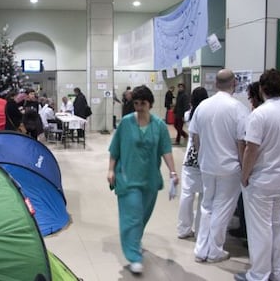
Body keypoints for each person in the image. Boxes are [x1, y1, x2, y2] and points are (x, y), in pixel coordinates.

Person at [234, 69, 280, 281]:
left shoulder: (258, 115)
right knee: (276, 225)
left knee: (259, 229)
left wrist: (244, 175)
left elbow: (251, 150)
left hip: (262, 179)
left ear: (262, 89)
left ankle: (259, 274)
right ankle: (277, 272)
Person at [107, 85, 179, 275]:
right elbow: (115, 149)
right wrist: (110, 170)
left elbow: (166, 150)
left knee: (142, 216)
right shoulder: (126, 123)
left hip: (149, 180)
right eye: (136, 103)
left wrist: (173, 172)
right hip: (127, 178)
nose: (139, 107)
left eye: (143, 103)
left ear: (151, 104)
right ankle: (134, 256)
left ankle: (135, 240)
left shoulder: (159, 126)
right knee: (132, 217)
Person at [189, 69, 249, 263]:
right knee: (222, 209)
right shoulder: (238, 108)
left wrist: (201, 157)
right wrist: (244, 167)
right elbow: (242, 142)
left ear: (215, 84)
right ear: (234, 84)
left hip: (207, 165)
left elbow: (195, 137)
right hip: (229, 168)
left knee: (207, 206)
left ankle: (201, 249)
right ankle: (214, 250)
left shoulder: (202, 107)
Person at [229, 81, 264, 240]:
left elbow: (248, 147)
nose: (250, 101)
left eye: (250, 98)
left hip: (257, 171)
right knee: (273, 220)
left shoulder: (257, 117)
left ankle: (248, 236)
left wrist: (244, 173)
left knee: (252, 212)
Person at [177, 87, 208, 239]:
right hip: (205, 158)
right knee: (204, 196)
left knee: (187, 194)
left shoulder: (188, 114)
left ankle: (183, 228)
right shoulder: (208, 115)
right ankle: (200, 229)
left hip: (190, 158)